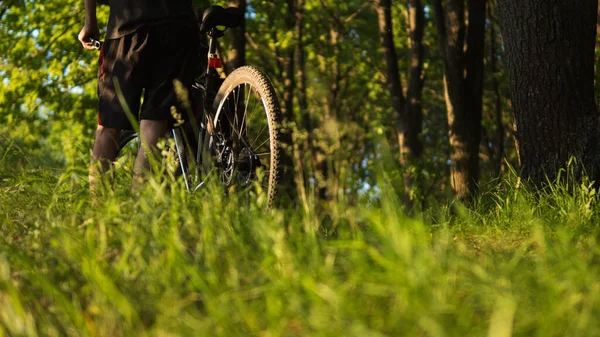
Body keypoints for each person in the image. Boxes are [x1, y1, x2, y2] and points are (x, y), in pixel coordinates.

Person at [78, 0, 200, 193]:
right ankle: (139, 208)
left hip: (126, 25)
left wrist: (90, 23)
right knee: (155, 121)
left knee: (108, 127)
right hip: (178, 24)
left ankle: (99, 214)